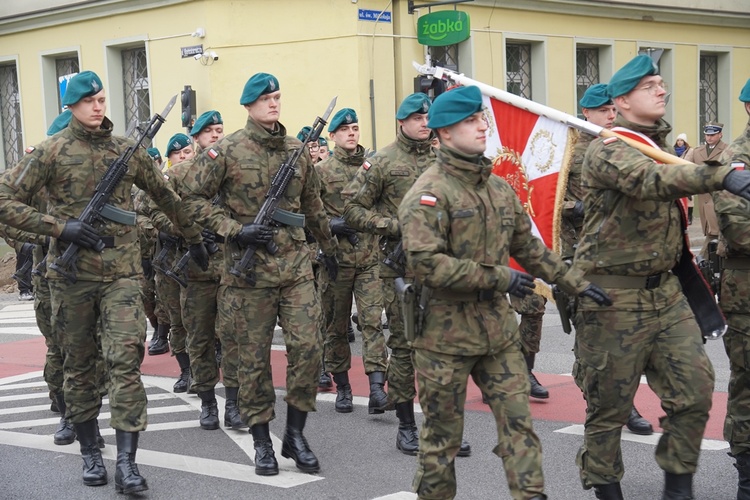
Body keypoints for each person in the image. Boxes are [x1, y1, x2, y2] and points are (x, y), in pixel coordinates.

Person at [398, 85, 612, 500]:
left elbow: (529, 248)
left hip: (496, 334)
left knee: (520, 430)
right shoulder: (429, 193)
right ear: (442, 133)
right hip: (444, 337)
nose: (482, 126)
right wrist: (498, 278)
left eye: (482, 119)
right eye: (470, 121)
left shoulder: (497, 188)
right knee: (441, 444)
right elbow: (427, 264)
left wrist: (576, 284)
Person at [0, 70, 208, 493]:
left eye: (101, 99)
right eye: (88, 100)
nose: (98, 106)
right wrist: (60, 228)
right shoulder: (52, 152)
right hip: (72, 276)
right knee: (78, 367)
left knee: (124, 361)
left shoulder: (125, 150)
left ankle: (128, 462)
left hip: (122, 274)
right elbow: (4, 198)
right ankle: (91, 451)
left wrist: (194, 239)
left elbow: (166, 198)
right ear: (71, 106)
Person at [573, 55, 750, 499]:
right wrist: (723, 176)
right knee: (608, 408)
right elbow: (651, 180)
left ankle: (678, 488)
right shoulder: (608, 148)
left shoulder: (659, 147)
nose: (662, 90)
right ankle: (607, 491)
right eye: (650, 85)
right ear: (623, 101)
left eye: (661, 82)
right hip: (612, 296)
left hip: (667, 294)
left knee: (694, 392)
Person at [177, 72, 339, 476]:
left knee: (308, 348)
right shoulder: (226, 151)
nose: (274, 104)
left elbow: (313, 205)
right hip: (248, 278)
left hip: (296, 269)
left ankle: (296, 434)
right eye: (265, 98)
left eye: (278, 97)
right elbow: (191, 200)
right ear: (248, 105)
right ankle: (263, 441)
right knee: (252, 361)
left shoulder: (296, 150)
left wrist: (331, 251)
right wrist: (235, 229)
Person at [344, 93, 475, 457]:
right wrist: (392, 225)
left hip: (442, 270)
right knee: (404, 350)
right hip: (400, 271)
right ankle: (406, 426)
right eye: (415, 117)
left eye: (426, 117)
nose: (422, 122)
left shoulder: (443, 160)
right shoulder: (382, 162)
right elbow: (353, 209)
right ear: (401, 122)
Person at [566, 83, 654, 437]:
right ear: (586, 112)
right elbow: (544, 201)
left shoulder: (625, 146)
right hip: (579, 255)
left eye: (614, 110)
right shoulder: (567, 150)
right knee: (592, 337)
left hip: (620, 255)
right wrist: (578, 208)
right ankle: (605, 400)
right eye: (603, 110)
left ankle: (618, 399)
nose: (611, 116)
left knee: (624, 336)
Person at [316, 108, 387, 413]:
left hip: (370, 258)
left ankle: (376, 389)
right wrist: (332, 226)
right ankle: (343, 386)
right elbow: (308, 215)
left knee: (372, 323)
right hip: (336, 261)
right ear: (332, 136)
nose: (351, 133)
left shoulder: (374, 167)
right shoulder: (321, 172)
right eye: (344, 130)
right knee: (335, 326)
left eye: (355, 128)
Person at [713, 77, 750, 500]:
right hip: (746, 295)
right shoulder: (735, 160)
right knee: (747, 384)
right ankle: (746, 472)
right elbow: (739, 230)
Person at [147, 133, 195, 393]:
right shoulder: (162, 183)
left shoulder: (206, 180)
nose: (184, 157)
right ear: (169, 159)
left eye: (188, 152)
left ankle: (203, 368)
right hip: (170, 261)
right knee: (177, 320)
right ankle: (185, 370)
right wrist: (179, 229)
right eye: (178, 154)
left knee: (201, 321)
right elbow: (153, 212)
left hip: (199, 260)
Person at [685, 122, 728, 259]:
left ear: (720, 134)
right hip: (703, 198)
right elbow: (685, 167)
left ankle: (702, 260)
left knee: (715, 233)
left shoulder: (728, 150)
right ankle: (710, 262)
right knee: (711, 232)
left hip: (719, 197)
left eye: (712, 135)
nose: (709, 138)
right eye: (707, 135)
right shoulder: (697, 151)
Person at [673, 134, 694, 224]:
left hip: (688, 175)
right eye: (678, 140)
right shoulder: (673, 151)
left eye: (681, 140)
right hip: (677, 175)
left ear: (685, 142)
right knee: (678, 196)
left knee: (689, 198)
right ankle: (681, 216)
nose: (679, 142)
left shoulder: (690, 151)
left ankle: (689, 217)